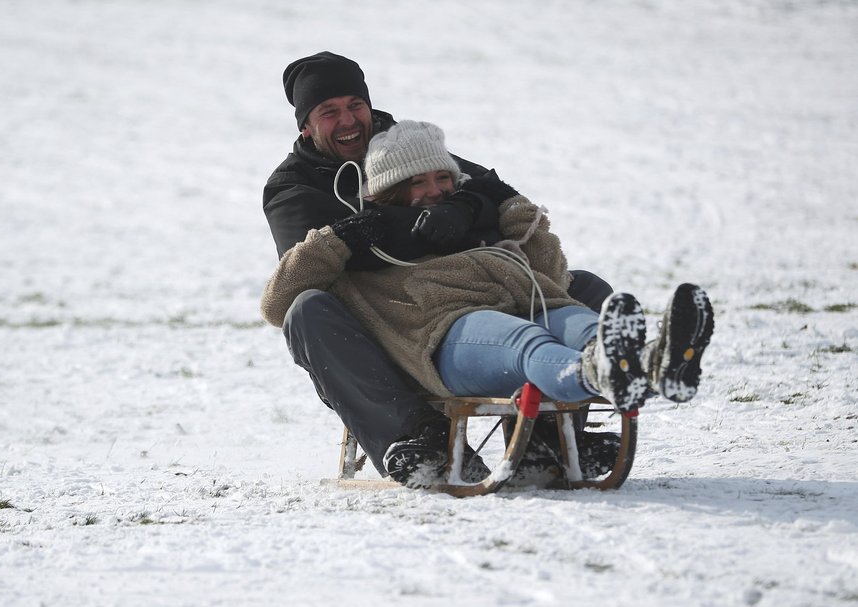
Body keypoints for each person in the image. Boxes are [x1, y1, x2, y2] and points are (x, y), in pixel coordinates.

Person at [261, 120, 715, 486]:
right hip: (446, 336)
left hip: (526, 305)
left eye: (444, 178)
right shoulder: (372, 257)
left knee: (576, 317)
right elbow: (280, 302)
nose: (435, 191)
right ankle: (594, 373)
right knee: (524, 341)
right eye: (417, 182)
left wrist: (507, 204)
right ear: (389, 191)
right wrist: (340, 238)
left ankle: (651, 365)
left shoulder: (467, 225)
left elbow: (553, 278)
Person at [262, 51, 615, 482]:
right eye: (330, 112)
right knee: (307, 310)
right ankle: (417, 437)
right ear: (306, 125)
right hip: (386, 327)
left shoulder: (402, 143)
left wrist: (464, 206)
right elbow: (320, 264)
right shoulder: (293, 187)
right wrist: (422, 225)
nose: (349, 120)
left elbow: (489, 188)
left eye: (355, 105)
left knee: (585, 288)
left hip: (468, 298)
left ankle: (548, 443)